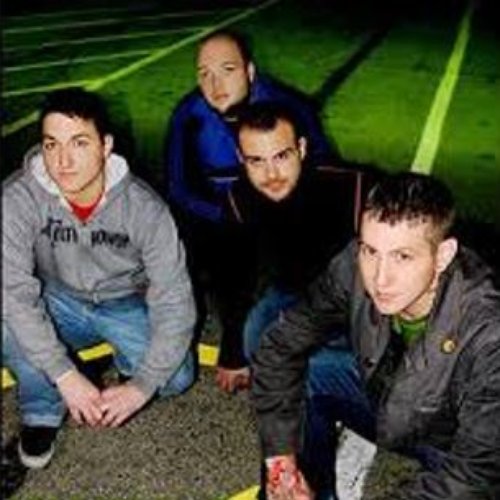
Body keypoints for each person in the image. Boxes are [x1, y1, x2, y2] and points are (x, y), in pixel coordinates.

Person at [251, 172, 500, 499]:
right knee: (314, 374)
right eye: (370, 250)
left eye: (402, 256)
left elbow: (475, 475)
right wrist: (281, 459)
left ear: (443, 255)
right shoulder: (353, 266)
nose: (380, 279)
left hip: (454, 447)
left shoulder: (489, 331)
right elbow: (282, 344)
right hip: (391, 402)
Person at [2, 88, 196, 470]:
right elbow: (12, 291)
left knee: (175, 377)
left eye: (79, 143)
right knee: (7, 320)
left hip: (124, 302)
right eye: (51, 144)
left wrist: (141, 387)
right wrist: (64, 375)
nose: (62, 161)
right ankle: (42, 410)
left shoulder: (145, 209)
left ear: (105, 146)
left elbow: (174, 300)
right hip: (56, 298)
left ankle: (122, 362)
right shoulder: (18, 198)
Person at [164, 30, 333, 390]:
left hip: (281, 206)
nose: (215, 85)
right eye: (204, 74)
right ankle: (223, 328)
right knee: (208, 250)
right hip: (219, 211)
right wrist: (224, 215)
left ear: (250, 71)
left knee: (306, 268)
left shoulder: (289, 107)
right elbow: (178, 185)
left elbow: (321, 168)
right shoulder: (189, 114)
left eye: (227, 70)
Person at [219, 101, 369, 395]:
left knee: (319, 367)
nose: (271, 174)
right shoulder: (239, 199)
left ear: (301, 148)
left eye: (281, 156)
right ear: (240, 158)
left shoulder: (352, 187)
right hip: (296, 293)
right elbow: (235, 278)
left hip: (361, 299)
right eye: (256, 161)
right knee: (255, 345)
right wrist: (231, 353)